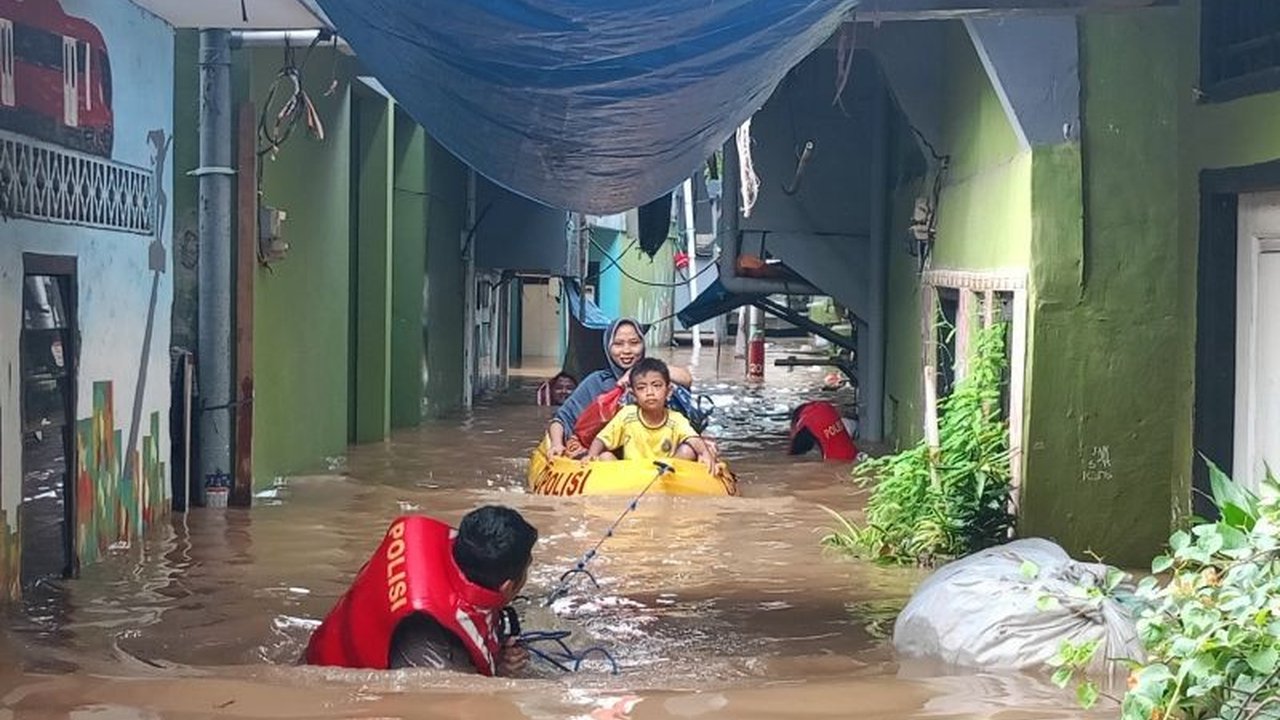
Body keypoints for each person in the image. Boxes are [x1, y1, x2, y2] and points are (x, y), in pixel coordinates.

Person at [304, 505, 537, 676]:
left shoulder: (432, 543)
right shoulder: (433, 652)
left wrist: (498, 658)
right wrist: (502, 673)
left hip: (326, 646)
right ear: (507, 587)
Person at [546, 318, 693, 459]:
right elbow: (561, 419)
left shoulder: (656, 376)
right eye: (618, 344)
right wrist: (557, 445)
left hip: (659, 457)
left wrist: (635, 372)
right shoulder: (596, 382)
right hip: (609, 461)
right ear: (607, 347)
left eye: (634, 343)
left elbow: (686, 379)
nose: (627, 350)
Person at [588, 357, 718, 472]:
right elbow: (602, 439)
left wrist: (705, 454)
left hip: (665, 475)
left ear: (668, 392)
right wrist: (590, 457)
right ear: (633, 395)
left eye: (656, 386)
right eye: (641, 388)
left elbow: (693, 438)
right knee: (605, 456)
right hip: (631, 474)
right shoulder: (627, 415)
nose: (650, 392)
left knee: (687, 450)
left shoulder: (675, 419)